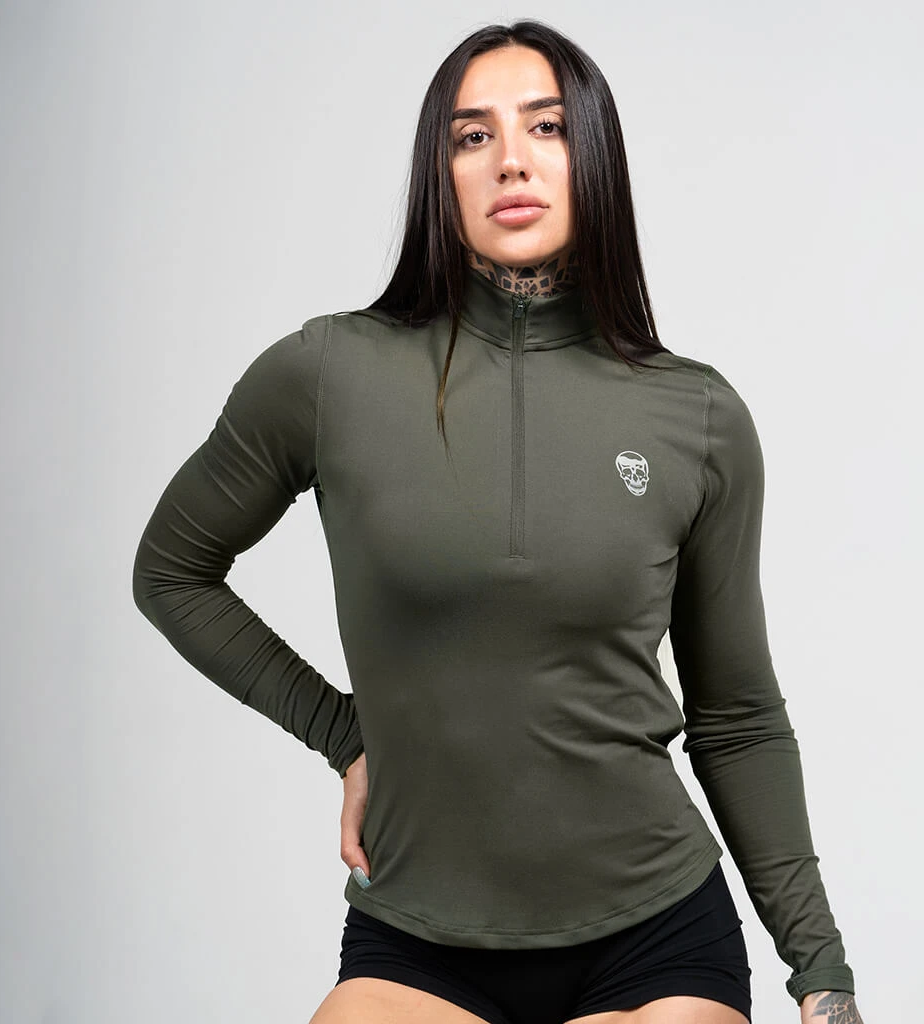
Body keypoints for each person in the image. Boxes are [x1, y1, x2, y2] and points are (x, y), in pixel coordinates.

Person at [132, 19, 865, 1024]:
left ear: (592, 157)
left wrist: (822, 975)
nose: (510, 159)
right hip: (415, 933)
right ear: (440, 174)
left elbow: (736, 716)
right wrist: (344, 733)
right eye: (472, 136)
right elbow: (171, 569)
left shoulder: (696, 416)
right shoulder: (328, 374)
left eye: (546, 127)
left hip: (656, 934)